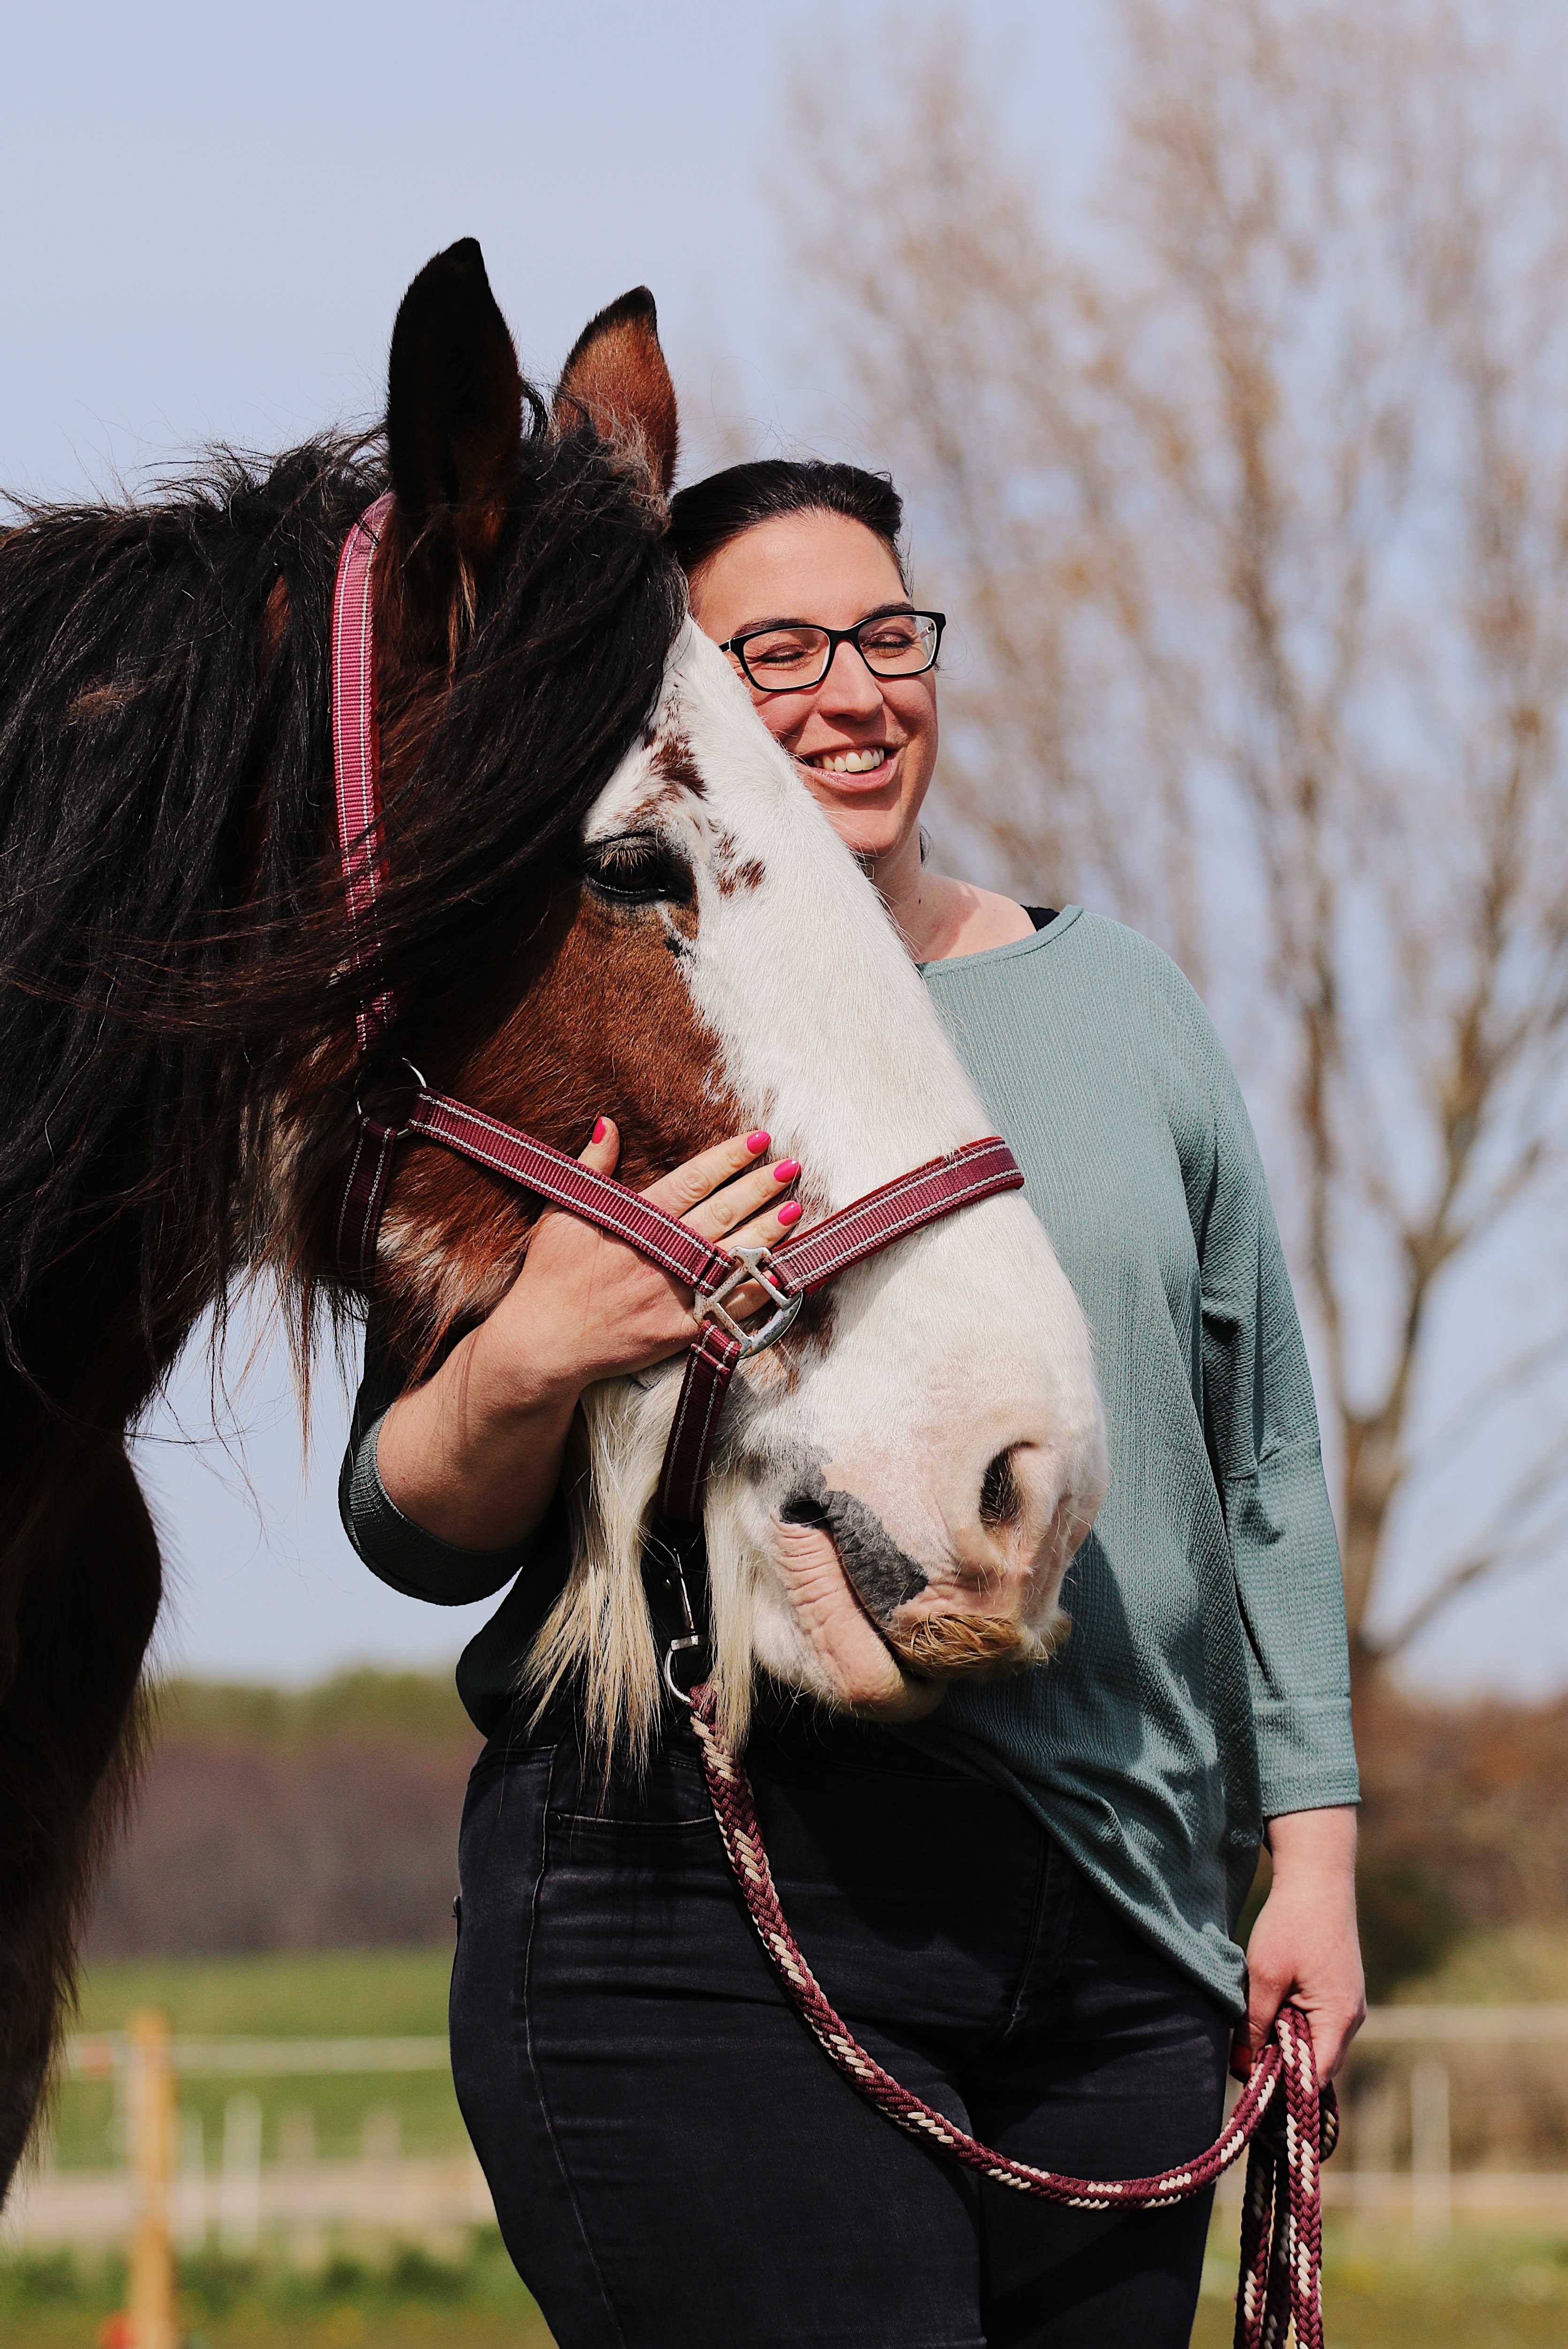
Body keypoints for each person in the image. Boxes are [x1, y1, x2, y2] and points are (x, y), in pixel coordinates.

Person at [339, 459, 1364, 2349]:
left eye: (886, 635)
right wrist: (537, 1342)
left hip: (1123, 1927)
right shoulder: (609, 1005)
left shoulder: (1125, 1000)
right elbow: (402, 1513)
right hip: (718, 1884)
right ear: (691, 712)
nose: (849, 688)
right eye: (777, 651)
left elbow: (1261, 1453)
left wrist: (1305, 1857)